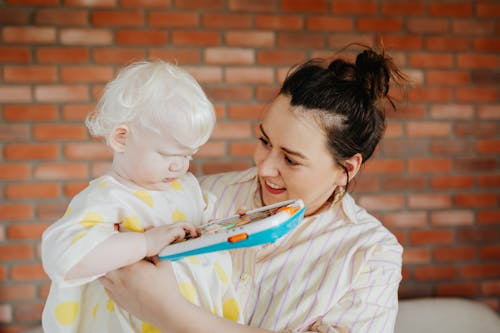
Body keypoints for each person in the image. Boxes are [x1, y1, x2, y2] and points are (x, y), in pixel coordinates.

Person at [100, 46, 407, 332]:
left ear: (347, 169)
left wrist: (167, 311)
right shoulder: (202, 196)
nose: (265, 167)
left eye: (290, 159)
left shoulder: (371, 255)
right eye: (264, 141)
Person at [41, 61, 243, 333]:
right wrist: (144, 242)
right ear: (122, 139)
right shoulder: (107, 198)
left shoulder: (186, 187)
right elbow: (64, 257)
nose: (180, 166)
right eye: (169, 155)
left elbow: (203, 228)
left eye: (188, 155)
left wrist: (234, 224)